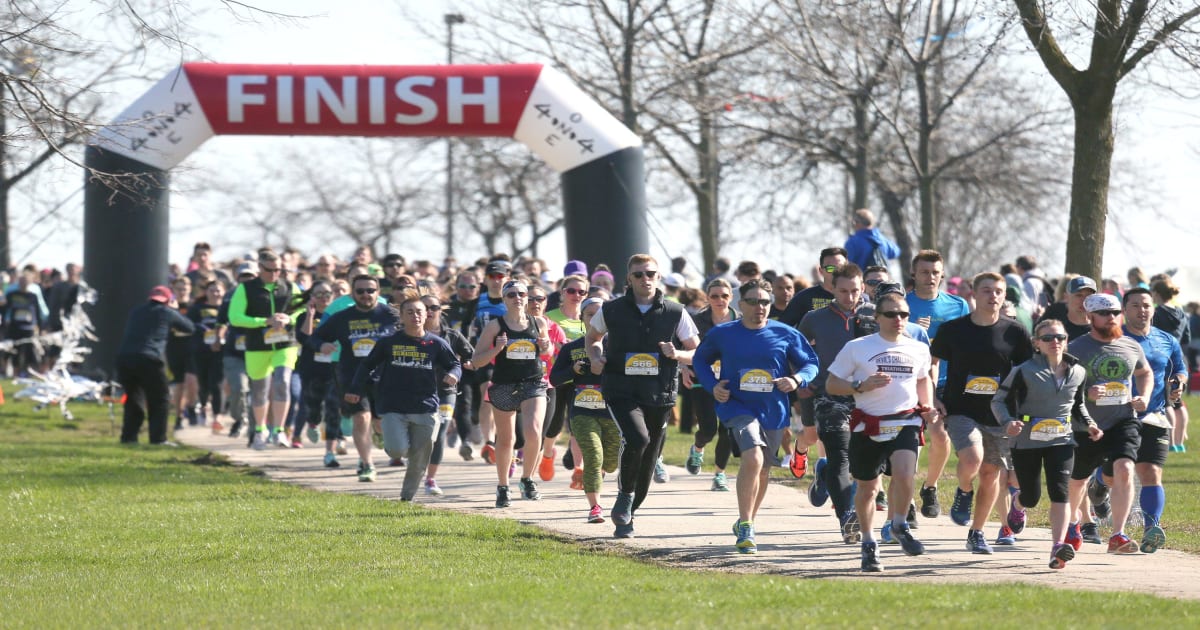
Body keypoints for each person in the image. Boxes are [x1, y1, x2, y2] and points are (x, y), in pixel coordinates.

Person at [693, 278, 818, 554]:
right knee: (754, 456)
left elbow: (811, 363)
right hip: (737, 406)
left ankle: (746, 519)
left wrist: (797, 380)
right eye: (753, 301)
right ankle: (747, 525)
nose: (759, 307)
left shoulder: (785, 333)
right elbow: (700, 359)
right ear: (741, 304)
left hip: (773, 409)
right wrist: (713, 386)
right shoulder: (723, 333)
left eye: (764, 301)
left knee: (763, 469)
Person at [586, 254, 700, 538]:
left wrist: (679, 354)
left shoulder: (675, 312)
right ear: (629, 279)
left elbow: (696, 349)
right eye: (638, 274)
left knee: (649, 457)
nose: (644, 279)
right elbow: (592, 338)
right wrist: (596, 357)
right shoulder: (611, 310)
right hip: (620, 389)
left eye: (650, 273)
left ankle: (628, 514)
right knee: (638, 438)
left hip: (659, 393)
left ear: (658, 276)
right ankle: (624, 496)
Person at [825, 291, 937, 572]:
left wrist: (928, 406)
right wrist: (860, 385)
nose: (898, 319)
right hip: (868, 423)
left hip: (906, 420)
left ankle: (899, 524)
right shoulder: (858, 347)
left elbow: (923, 380)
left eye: (904, 314)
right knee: (867, 488)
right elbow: (831, 384)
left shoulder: (918, 348)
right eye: (891, 314)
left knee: (904, 473)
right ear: (877, 318)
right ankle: (868, 541)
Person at [930, 273, 1034, 553]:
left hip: (1000, 414)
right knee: (973, 458)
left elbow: (1029, 373)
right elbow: (932, 362)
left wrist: (1024, 410)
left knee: (990, 474)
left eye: (998, 291)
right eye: (987, 291)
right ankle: (964, 490)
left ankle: (976, 533)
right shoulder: (953, 330)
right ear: (974, 294)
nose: (993, 296)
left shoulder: (1015, 332)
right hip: (961, 408)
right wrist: (933, 397)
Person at [992, 319, 1101, 569]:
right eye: (1048, 338)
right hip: (1027, 439)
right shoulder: (1023, 370)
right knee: (1031, 497)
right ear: (1036, 343)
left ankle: (1057, 548)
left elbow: (1078, 405)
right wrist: (1008, 422)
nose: (1055, 342)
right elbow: (998, 401)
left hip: (1061, 438)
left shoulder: (1078, 371)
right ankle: (1018, 504)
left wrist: (1090, 424)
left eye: (1060, 337)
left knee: (1060, 492)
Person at [1088, 288, 1186, 554]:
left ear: (1153, 309)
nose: (1141, 310)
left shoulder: (1167, 340)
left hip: (1154, 415)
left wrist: (1179, 384)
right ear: (1124, 309)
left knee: (1151, 472)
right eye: (1134, 306)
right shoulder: (1114, 340)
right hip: (1117, 417)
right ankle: (1099, 483)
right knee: (1114, 475)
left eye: (1146, 305)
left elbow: (1179, 369)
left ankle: (1151, 528)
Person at [348, 290, 461, 502]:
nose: (415, 316)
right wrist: (355, 389)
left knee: (419, 459)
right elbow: (367, 365)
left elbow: (454, 363)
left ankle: (406, 498)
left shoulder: (435, 343)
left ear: (426, 315)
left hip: (426, 406)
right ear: (401, 317)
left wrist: (454, 374)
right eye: (409, 312)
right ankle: (389, 438)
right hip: (393, 406)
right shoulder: (388, 342)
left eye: (419, 312)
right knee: (397, 450)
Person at [797, 263, 879, 544]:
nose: (850, 297)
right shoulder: (814, 318)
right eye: (843, 291)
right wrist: (804, 381)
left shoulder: (875, 316)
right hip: (829, 395)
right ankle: (846, 517)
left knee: (865, 461)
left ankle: (825, 476)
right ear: (832, 288)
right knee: (839, 455)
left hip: (869, 397)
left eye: (855, 290)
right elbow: (797, 352)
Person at [1064, 292, 1152, 554]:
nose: (1111, 317)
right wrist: (1085, 392)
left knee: (1125, 468)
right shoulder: (1076, 348)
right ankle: (1073, 524)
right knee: (1077, 482)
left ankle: (1118, 534)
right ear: (1090, 316)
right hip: (1086, 425)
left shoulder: (1130, 345)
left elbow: (1144, 372)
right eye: (1104, 313)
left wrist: (1144, 396)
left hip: (1123, 420)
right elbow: (1060, 385)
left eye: (1115, 312)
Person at [472, 279, 553, 507]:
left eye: (521, 294)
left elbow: (548, 351)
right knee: (507, 439)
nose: (517, 298)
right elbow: (477, 360)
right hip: (504, 384)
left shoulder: (538, 323)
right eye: (511, 295)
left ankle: (527, 479)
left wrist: (546, 346)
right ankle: (503, 486)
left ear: (527, 298)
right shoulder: (495, 326)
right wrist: (497, 349)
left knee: (534, 429)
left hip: (534, 382)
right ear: (504, 300)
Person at [312, 274, 398, 481]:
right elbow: (315, 337)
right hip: (352, 376)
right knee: (361, 418)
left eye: (370, 290)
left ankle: (377, 434)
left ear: (378, 292)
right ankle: (367, 464)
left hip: (385, 376)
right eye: (360, 291)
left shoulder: (392, 315)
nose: (366, 295)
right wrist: (321, 345)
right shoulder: (343, 317)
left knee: (381, 421)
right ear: (353, 293)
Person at [906, 249, 970, 520]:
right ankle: (906, 500)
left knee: (941, 437)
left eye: (935, 272)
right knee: (911, 441)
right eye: (924, 272)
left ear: (942, 274)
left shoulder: (957, 306)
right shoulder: (902, 305)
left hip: (945, 381)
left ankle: (929, 487)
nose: (930, 277)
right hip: (908, 380)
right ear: (914, 274)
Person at [550, 297, 620, 523]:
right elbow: (554, 378)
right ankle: (595, 507)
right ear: (582, 318)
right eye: (590, 314)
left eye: (599, 314)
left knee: (609, 462)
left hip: (611, 412)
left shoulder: (617, 346)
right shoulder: (572, 348)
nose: (594, 319)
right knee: (593, 456)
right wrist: (573, 370)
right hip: (582, 411)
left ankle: (596, 476)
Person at [116, 286, 195, 445]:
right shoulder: (167, 312)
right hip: (149, 359)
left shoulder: (136, 311)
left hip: (125, 358)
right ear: (168, 301)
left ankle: (129, 438)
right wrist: (175, 309)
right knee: (159, 399)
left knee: (133, 398)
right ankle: (158, 439)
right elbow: (189, 327)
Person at [681, 279, 740, 491]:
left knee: (727, 430)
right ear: (707, 297)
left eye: (724, 296)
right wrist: (684, 368)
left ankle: (719, 474)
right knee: (708, 430)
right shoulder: (696, 321)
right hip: (704, 379)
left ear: (731, 297)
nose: (719, 300)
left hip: (733, 382)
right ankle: (697, 449)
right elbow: (682, 346)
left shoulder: (741, 320)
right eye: (714, 296)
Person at [420, 293, 475, 495]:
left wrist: (465, 366)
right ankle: (416, 465)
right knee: (422, 435)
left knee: (440, 432)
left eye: (433, 307)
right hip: (416, 392)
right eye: (424, 308)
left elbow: (472, 355)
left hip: (446, 392)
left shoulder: (452, 335)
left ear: (440, 309)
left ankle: (430, 479)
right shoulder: (408, 336)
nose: (429, 312)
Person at [1149, 278, 1191, 452]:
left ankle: (1172, 443)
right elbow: (1187, 338)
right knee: (1179, 402)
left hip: (1164, 360)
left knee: (1167, 402)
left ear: (1156, 294)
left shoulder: (1157, 313)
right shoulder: (1181, 313)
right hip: (1180, 358)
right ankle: (1179, 443)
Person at [1040, 276, 1096, 341]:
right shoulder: (1053, 327)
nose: (1084, 300)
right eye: (1079, 295)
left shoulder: (1101, 328)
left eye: (1089, 295)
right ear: (1066, 297)